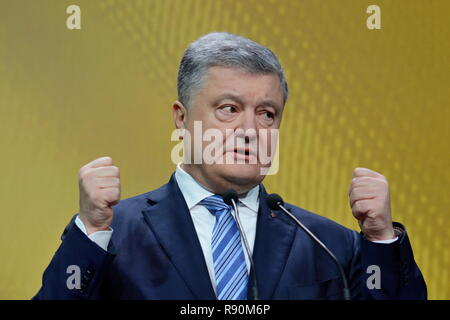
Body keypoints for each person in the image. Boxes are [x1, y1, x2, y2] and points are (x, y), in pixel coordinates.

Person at [34, 32, 426, 300]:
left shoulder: (328, 243)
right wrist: (91, 232)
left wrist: (379, 239)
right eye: (229, 109)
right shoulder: (113, 234)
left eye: (267, 114)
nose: (250, 130)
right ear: (181, 118)